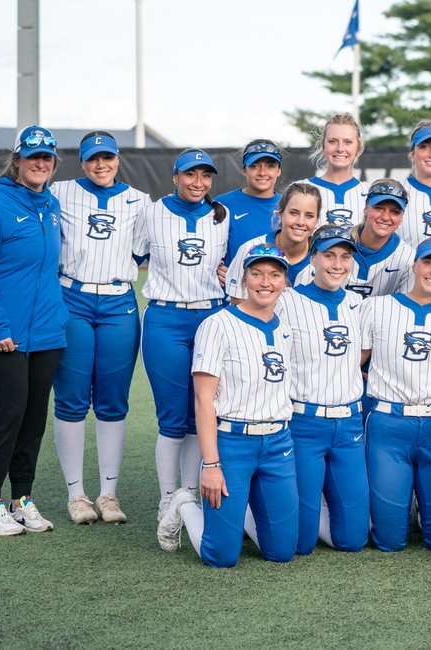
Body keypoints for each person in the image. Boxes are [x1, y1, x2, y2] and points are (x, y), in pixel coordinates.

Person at [156, 245, 299, 568]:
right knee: (221, 557)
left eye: (275, 275)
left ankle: (239, 508)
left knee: (282, 552)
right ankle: (184, 505)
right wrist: (211, 465)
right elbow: (204, 400)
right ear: (244, 278)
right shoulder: (217, 324)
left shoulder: (285, 328)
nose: (266, 282)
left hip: (278, 444)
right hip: (233, 442)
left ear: (285, 281)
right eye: (257, 274)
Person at [0, 125, 68, 535]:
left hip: (45, 334)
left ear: (53, 163)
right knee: (7, 415)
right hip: (1, 335)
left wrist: (56, 320)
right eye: (32, 157)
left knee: (32, 418)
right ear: (17, 160)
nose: (40, 163)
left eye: (46, 157)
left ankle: (21, 499)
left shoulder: (51, 205)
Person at [50, 131, 149, 525]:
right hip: (70, 297)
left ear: (118, 159)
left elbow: (143, 250)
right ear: (82, 162)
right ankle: (77, 495)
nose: (100, 165)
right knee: (71, 399)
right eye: (93, 159)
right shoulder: (59, 191)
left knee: (112, 401)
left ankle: (108, 494)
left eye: (107, 157)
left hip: (117, 300)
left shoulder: (139, 201)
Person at [360, 237, 431, 551]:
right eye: (428, 262)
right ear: (415, 265)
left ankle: (429, 508)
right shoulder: (377, 307)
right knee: (389, 541)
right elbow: (352, 363)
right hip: (389, 425)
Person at [138, 149, 229, 523]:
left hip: (210, 316)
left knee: (201, 413)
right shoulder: (150, 212)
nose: (198, 183)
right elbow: (129, 255)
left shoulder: (220, 216)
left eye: (205, 176)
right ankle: (166, 497)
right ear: (175, 176)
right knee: (172, 416)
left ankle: (189, 495)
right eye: (190, 174)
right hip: (165, 316)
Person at [273, 226, 368, 553]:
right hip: (304, 424)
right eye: (329, 255)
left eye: (345, 256)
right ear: (313, 257)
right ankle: (248, 512)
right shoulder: (286, 301)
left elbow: (363, 357)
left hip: (349, 427)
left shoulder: (359, 304)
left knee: (354, 540)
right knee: (300, 544)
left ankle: (322, 508)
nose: (337, 264)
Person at [226, 182, 320, 300]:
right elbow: (238, 305)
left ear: (317, 220)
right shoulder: (249, 249)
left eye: (309, 216)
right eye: (293, 213)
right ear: (280, 214)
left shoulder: (324, 257)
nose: (300, 222)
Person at [343, 179, 417, 299]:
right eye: (379, 208)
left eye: (395, 212)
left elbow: (404, 309)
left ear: (402, 217)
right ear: (366, 209)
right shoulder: (335, 243)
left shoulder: (408, 258)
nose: (385, 217)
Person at [218, 139, 284, 265]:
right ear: (244, 170)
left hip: (276, 283)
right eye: (254, 166)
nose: (262, 173)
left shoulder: (289, 205)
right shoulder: (223, 204)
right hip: (234, 283)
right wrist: (216, 268)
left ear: (279, 171)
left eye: (270, 166)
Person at [302, 113, 368, 229]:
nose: (340, 149)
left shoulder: (369, 193)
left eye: (348, 142)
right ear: (323, 145)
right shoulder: (301, 188)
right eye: (332, 141)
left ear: (358, 147)